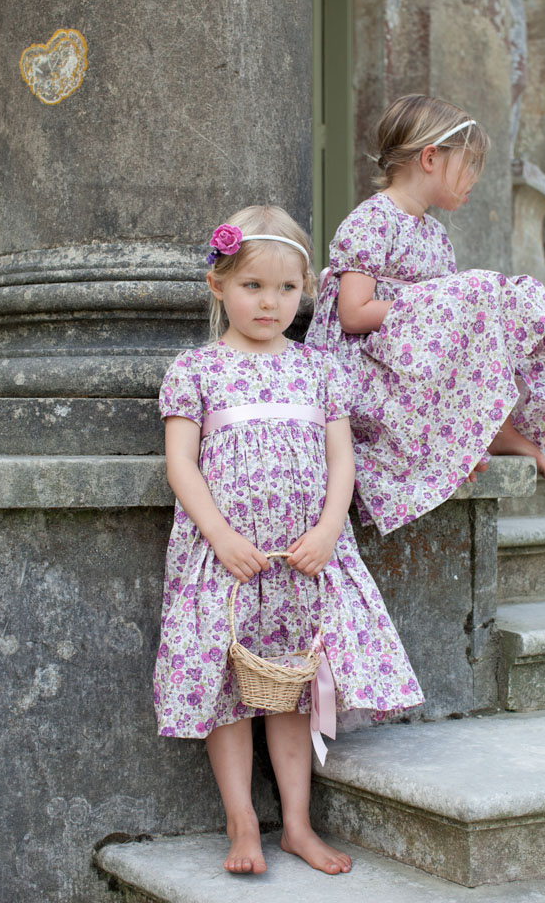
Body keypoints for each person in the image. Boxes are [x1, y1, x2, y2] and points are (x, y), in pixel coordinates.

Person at [154, 205, 423, 876]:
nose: (270, 302)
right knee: (228, 691)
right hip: (228, 561)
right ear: (218, 285)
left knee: (293, 689)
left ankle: (297, 824)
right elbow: (181, 464)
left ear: (305, 292)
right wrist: (219, 535)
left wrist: (330, 530)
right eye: (252, 286)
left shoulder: (319, 369)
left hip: (306, 559)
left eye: (286, 289)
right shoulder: (197, 369)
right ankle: (242, 822)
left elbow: (342, 461)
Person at [305, 94, 545, 536]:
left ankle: (489, 424)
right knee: (473, 294)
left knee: (505, 297)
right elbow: (352, 314)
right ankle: (482, 431)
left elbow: (453, 334)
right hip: (364, 368)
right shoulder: (371, 221)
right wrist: (434, 307)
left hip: (409, 365)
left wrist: (452, 308)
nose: (476, 177)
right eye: (469, 163)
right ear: (431, 157)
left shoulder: (435, 235)